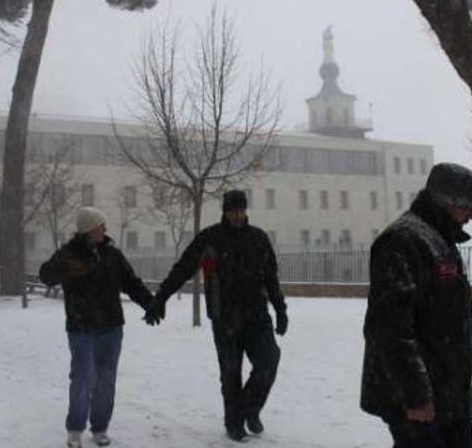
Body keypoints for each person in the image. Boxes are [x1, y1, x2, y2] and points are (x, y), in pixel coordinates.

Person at [144, 189, 287, 441]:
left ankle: (248, 410)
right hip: (225, 318)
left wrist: (280, 309)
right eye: (234, 210)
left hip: (257, 316)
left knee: (269, 361)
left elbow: (271, 278)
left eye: (242, 210)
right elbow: (183, 268)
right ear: (225, 211)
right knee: (231, 373)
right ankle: (234, 423)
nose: (238, 215)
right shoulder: (210, 239)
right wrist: (161, 297)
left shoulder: (259, 238)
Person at [361, 163, 472, 448]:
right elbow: (390, 328)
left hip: (447, 391)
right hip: (414, 396)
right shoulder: (402, 241)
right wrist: (415, 394)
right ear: (445, 201)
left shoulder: (439, 240)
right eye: (468, 207)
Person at [39, 207, 155, 448]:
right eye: (100, 225)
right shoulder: (69, 254)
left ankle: (100, 427)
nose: (104, 229)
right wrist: (64, 268)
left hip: (111, 328)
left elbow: (131, 282)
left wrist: (150, 304)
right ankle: (75, 429)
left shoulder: (112, 255)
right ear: (88, 229)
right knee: (82, 377)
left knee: (106, 380)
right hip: (81, 328)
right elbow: (46, 275)